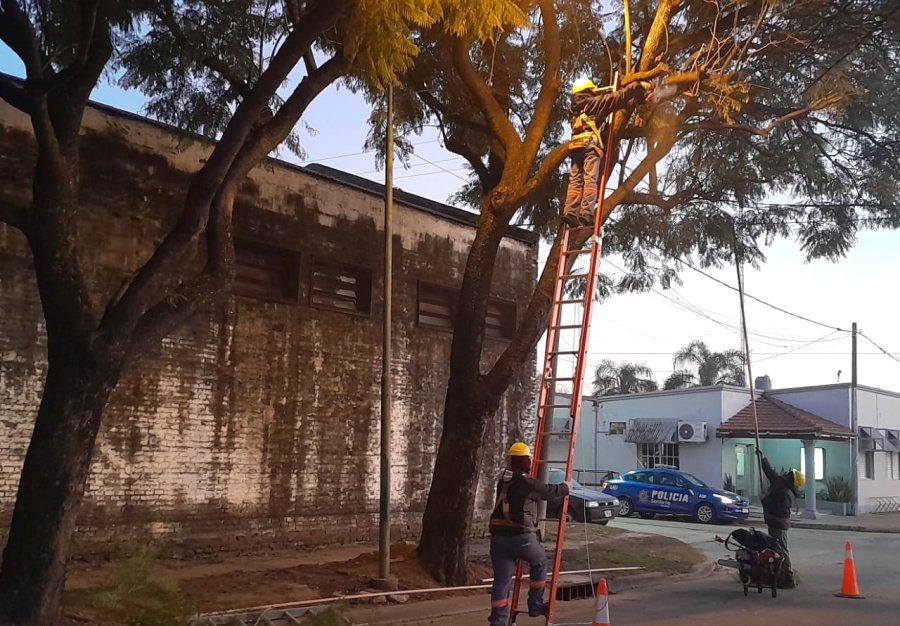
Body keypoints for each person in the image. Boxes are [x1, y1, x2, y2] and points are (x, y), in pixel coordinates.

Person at [488, 442, 570, 626]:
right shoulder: (527, 483)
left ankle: (498, 622)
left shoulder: (503, 481)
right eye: (529, 460)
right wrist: (566, 487)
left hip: (498, 539)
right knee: (540, 562)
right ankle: (535, 605)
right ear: (526, 461)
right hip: (521, 537)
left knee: (501, 581)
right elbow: (550, 492)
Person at [562, 77, 655, 227]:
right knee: (590, 179)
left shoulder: (575, 109)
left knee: (575, 181)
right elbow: (615, 98)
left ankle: (570, 213)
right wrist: (637, 86)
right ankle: (586, 213)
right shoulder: (593, 104)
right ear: (588, 91)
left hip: (575, 147)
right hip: (590, 146)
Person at [756, 448, 805, 588]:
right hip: (774, 522)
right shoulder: (780, 483)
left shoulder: (785, 493)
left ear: (791, 479)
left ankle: (788, 576)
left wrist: (764, 500)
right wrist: (763, 459)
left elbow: (777, 509)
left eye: (789, 474)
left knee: (781, 549)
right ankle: (777, 573)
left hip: (778, 524)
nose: (786, 473)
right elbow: (770, 472)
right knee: (776, 548)